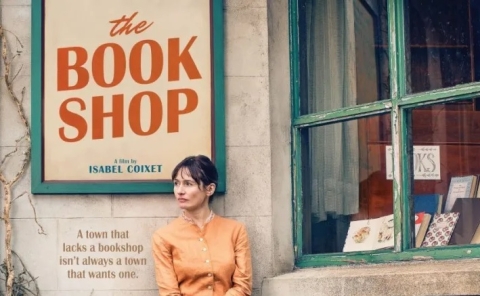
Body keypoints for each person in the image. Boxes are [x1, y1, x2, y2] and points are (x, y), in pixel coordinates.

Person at [151, 155, 253, 296]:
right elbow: (169, 292)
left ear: (209, 189)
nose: (180, 190)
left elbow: (243, 286)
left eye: (188, 184)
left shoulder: (235, 231)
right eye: (176, 183)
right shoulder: (164, 237)